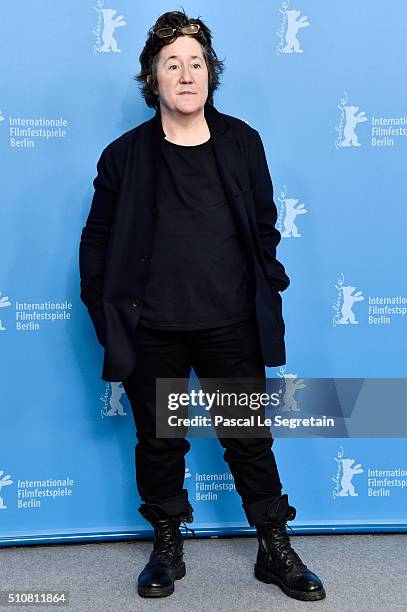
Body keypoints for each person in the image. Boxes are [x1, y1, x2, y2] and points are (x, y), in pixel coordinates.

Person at [79, 9, 326, 602]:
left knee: (248, 439)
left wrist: (264, 280)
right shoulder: (123, 156)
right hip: (153, 327)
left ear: (209, 75)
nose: (186, 74)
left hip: (230, 324)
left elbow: (262, 227)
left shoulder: (243, 143)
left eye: (196, 63)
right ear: (153, 80)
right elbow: (96, 239)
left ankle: (274, 548)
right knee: (160, 442)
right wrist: (103, 306)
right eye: (172, 64)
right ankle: (166, 545)